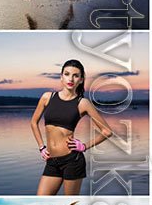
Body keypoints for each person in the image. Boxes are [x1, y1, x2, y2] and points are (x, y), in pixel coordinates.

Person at [32, 58, 113, 196]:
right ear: (61, 77)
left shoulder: (83, 103)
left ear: (81, 80)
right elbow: (34, 122)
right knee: (41, 200)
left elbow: (107, 131)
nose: (71, 78)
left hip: (72, 161)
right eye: (67, 74)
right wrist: (41, 146)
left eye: (76, 75)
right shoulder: (47, 97)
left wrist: (84, 146)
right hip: (51, 161)